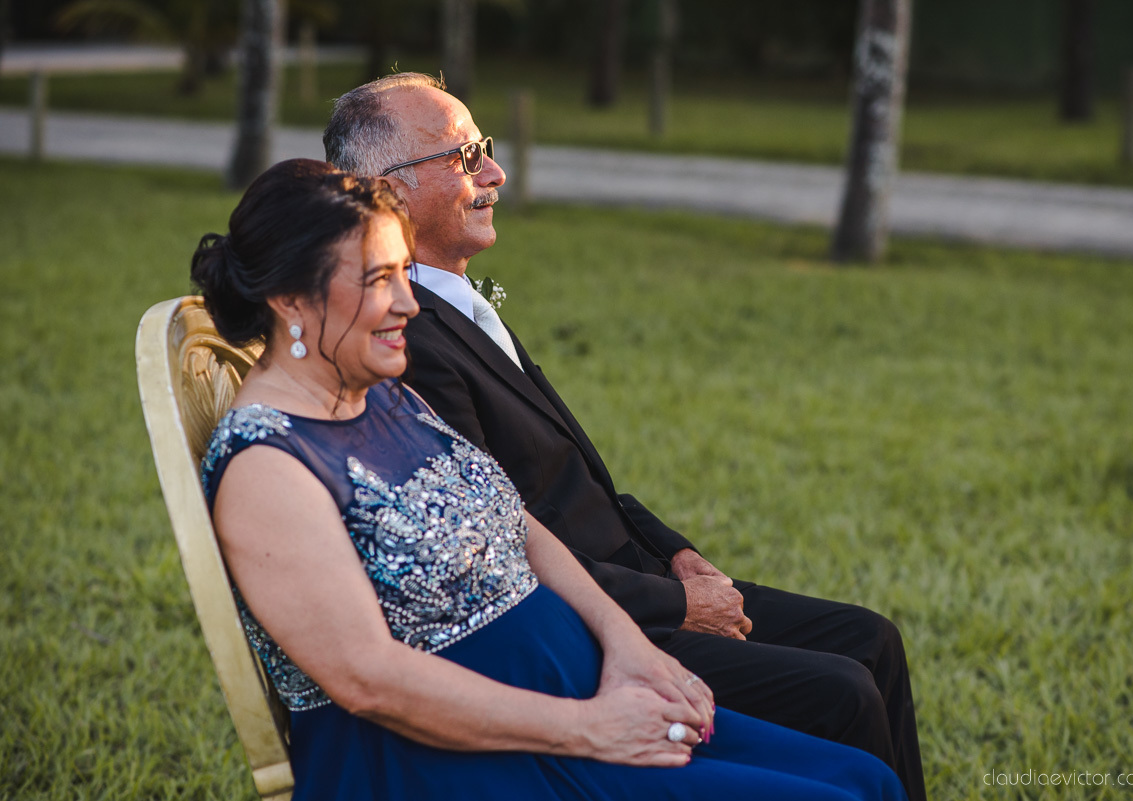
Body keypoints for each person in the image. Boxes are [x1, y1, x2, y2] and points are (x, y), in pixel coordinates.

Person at [190, 158, 906, 801]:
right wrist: (592, 727)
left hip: (570, 689)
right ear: (289, 297)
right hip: (443, 760)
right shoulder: (267, 467)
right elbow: (368, 678)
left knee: (863, 776)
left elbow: (518, 522)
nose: (410, 303)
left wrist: (628, 643)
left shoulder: (381, 392)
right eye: (381, 279)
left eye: (406, 272)